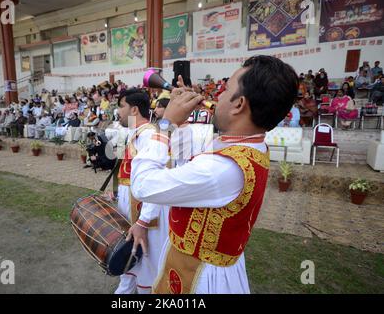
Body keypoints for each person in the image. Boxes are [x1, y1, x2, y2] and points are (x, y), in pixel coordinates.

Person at [128, 55, 299, 294]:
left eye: (226, 90)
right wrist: (181, 120)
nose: (216, 96)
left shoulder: (222, 168)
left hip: (201, 278)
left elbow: (143, 186)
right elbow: (187, 159)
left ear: (239, 105)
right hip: (205, 267)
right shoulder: (248, 146)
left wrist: (165, 125)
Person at [113, 88, 166, 295]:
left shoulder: (150, 136)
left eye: (121, 106)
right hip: (132, 209)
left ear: (134, 109)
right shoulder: (136, 133)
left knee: (146, 267)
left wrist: (144, 221)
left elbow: (156, 182)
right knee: (131, 262)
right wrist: (118, 195)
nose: (118, 111)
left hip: (144, 214)